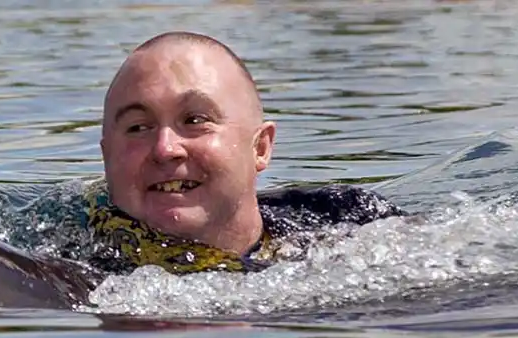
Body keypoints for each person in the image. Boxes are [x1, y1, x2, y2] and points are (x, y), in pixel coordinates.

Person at [70, 31, 403, 275]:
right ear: (106, 157)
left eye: (195, 120)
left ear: (260, 148)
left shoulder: (351, 221)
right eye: (138, 127)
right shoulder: (71, 271)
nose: (165, 149)